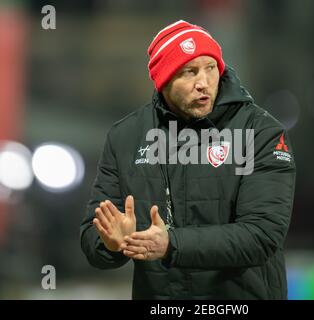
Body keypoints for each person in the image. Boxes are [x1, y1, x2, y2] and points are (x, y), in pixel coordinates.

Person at [80, 20, 296, 299]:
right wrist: (110, 244)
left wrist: (171, 243)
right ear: (164, 80)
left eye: (210, 68)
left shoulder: (261, 132)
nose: (203, 83)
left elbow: (262, 234)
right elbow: (91, 237)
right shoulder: (125, 137)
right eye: (188, 72)